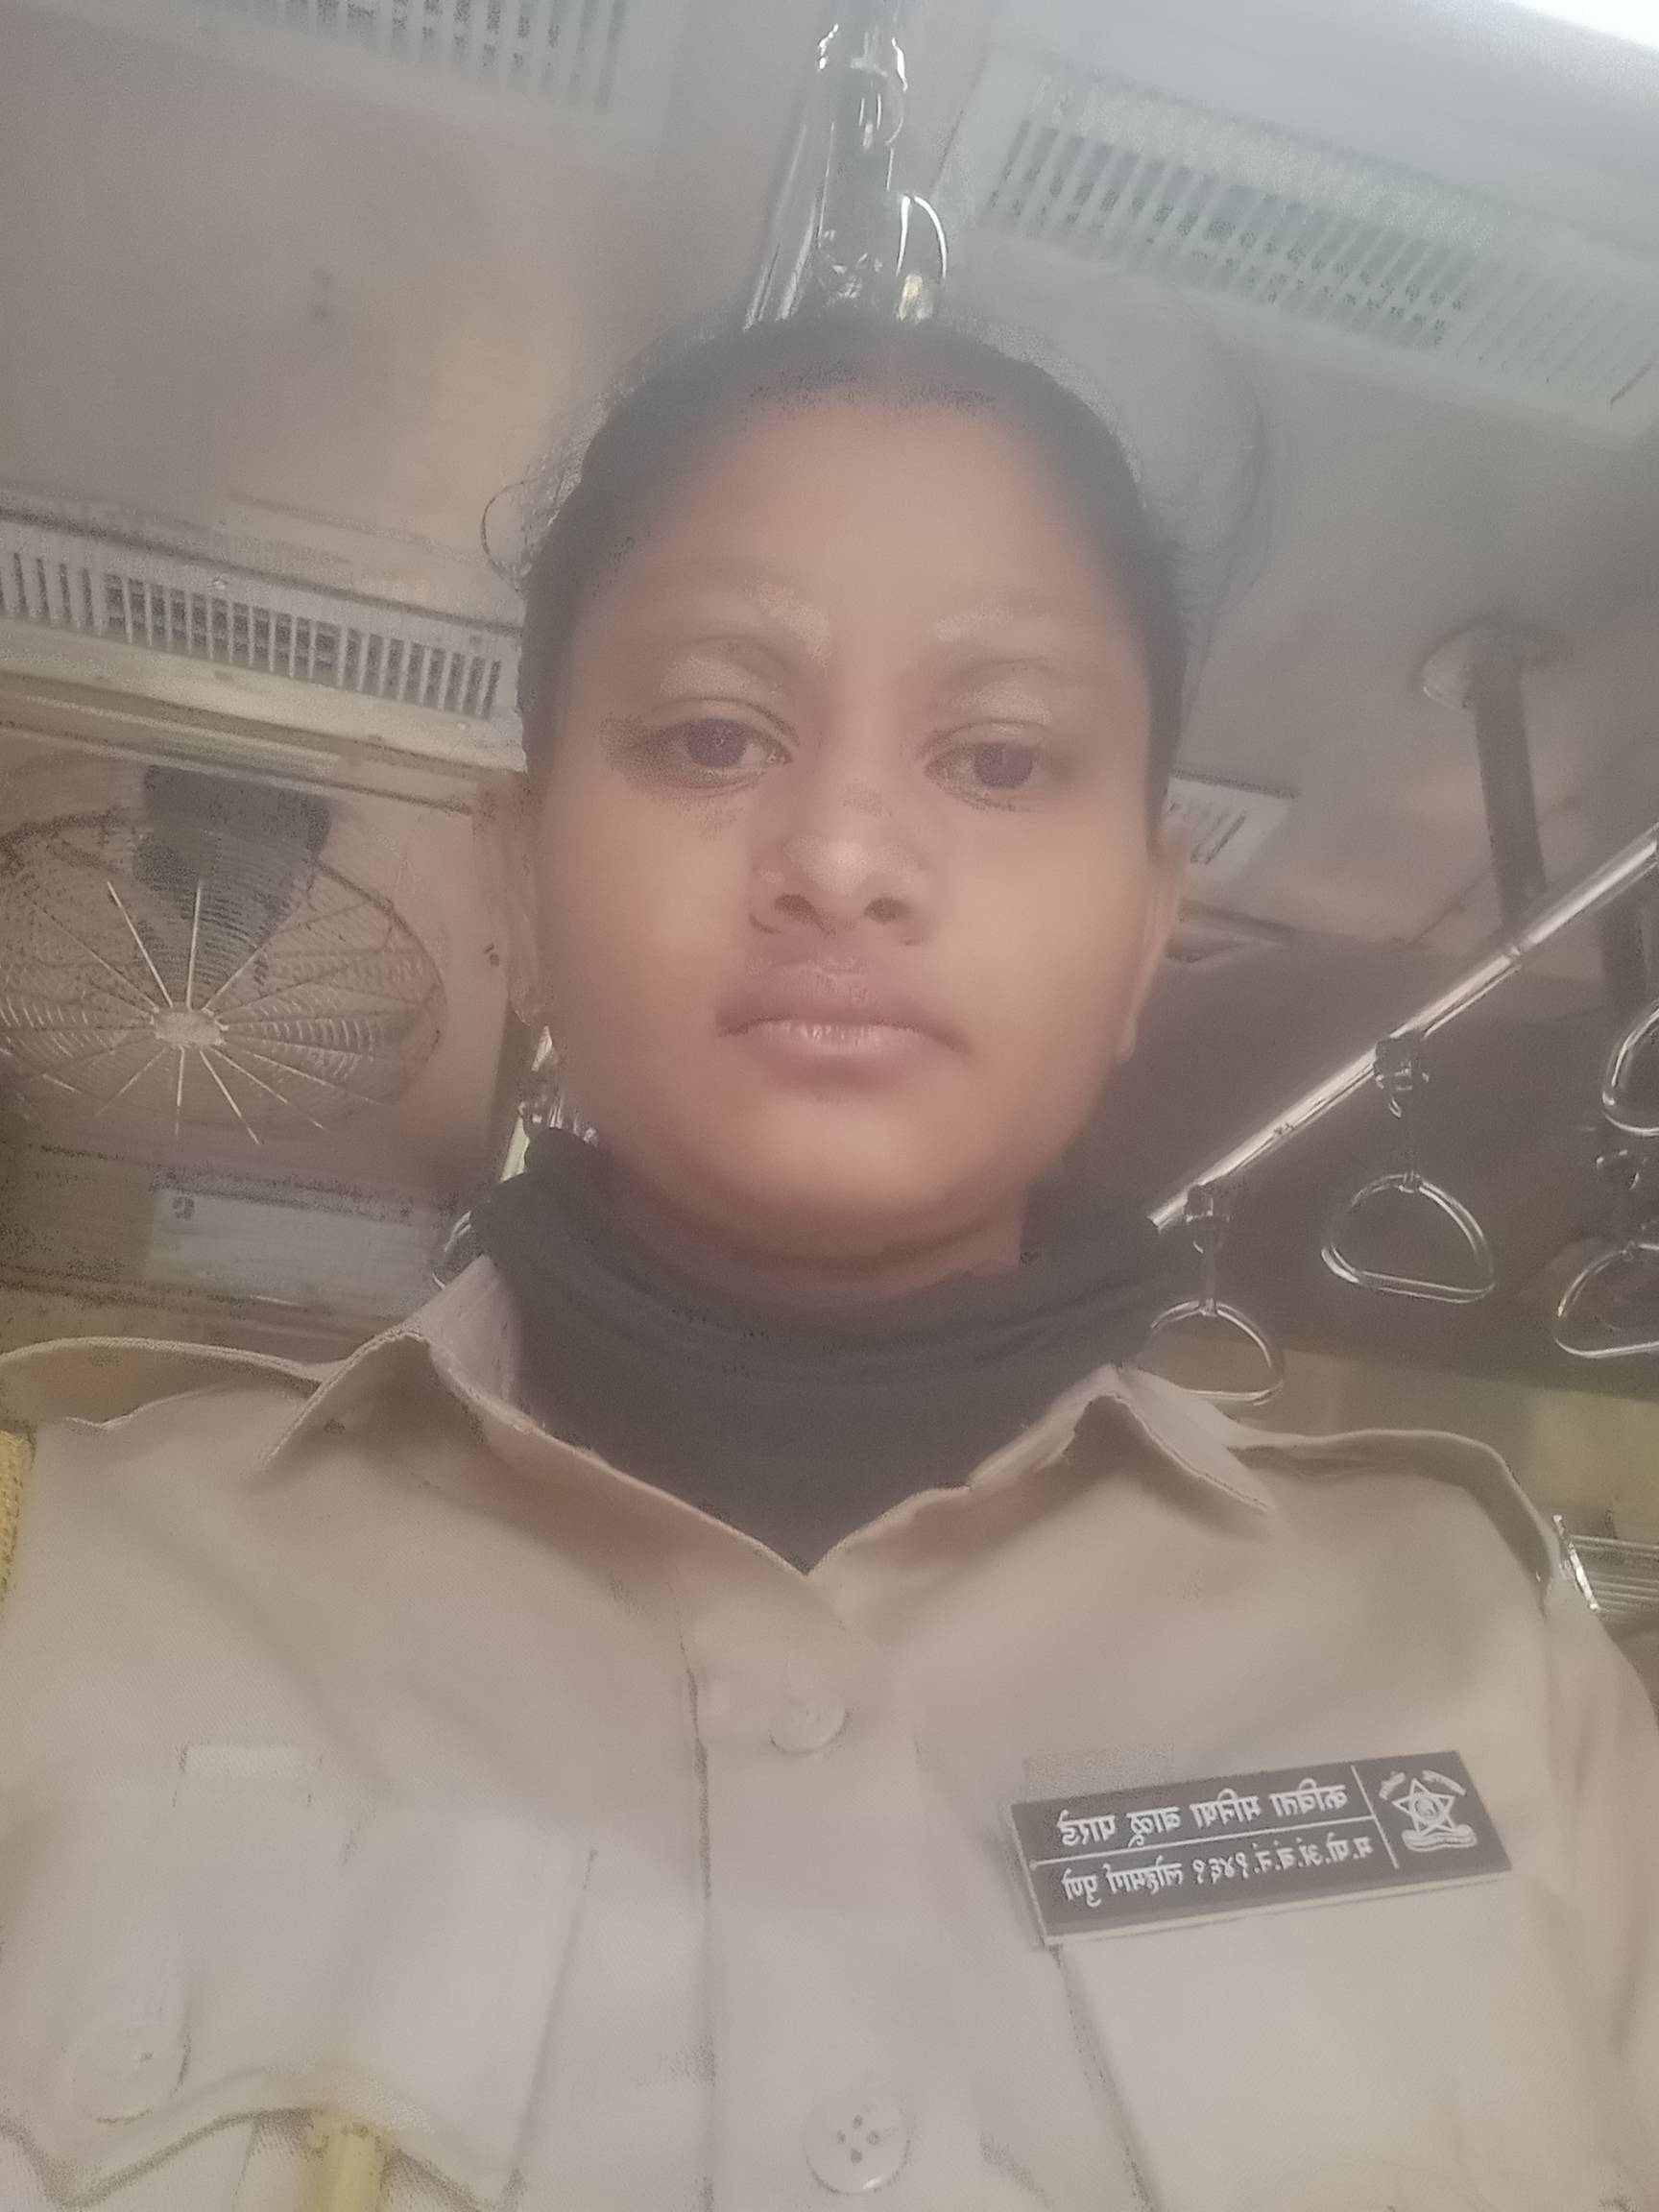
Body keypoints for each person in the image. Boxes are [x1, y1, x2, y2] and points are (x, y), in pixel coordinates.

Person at [1, 312, 1656, 2212]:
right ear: (517, 881)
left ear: (1145, 932)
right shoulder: (56, 1582)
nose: (846, 854)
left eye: (1003, 757)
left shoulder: (1486, 1662)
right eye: (712, 737)